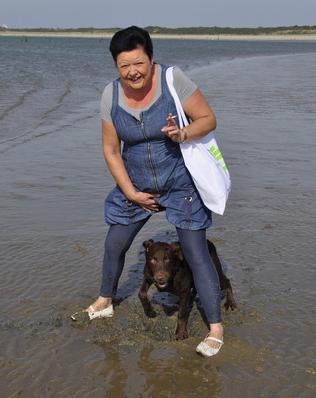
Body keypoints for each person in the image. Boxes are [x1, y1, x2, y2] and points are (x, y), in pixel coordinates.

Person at [78, 26, 226, 357]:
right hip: (138, 185)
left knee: (196, 252)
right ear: (116, 67)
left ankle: (216, 328)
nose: (132, 72)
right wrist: (130, 192)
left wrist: (183, 133)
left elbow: (208, 119)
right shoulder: (110, 96)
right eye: (124, 66)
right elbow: (111, 150)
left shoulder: (174, 80)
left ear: (151, 58)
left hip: (179, 184)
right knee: (114, 243)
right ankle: (104, 301)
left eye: (138, 63)